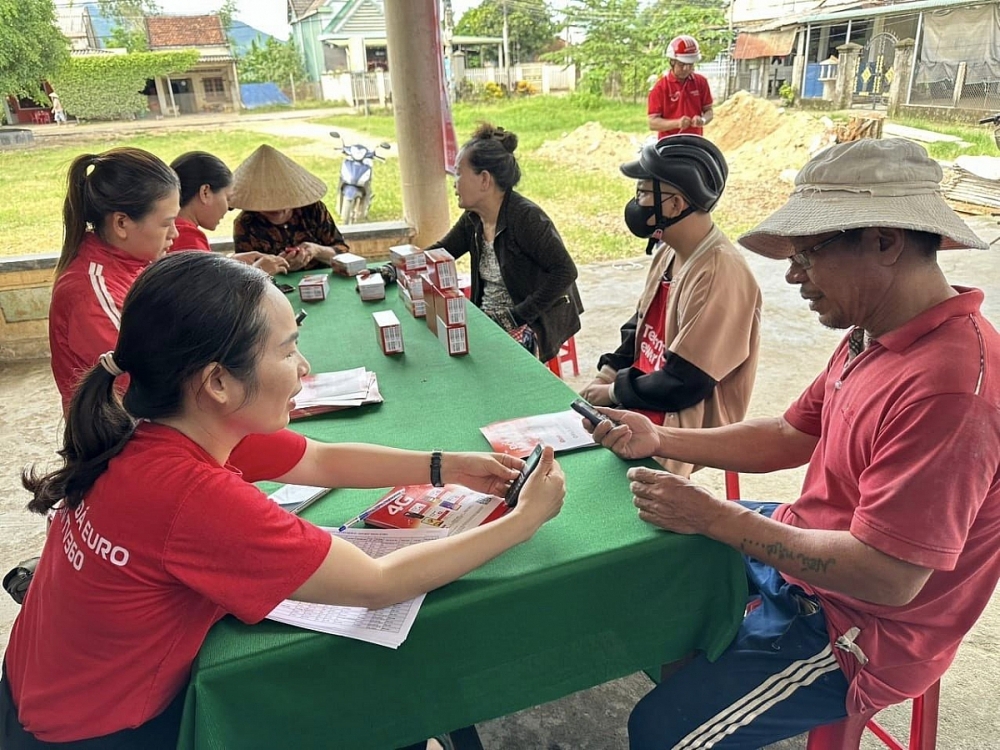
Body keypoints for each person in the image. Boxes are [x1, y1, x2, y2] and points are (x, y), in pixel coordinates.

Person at [4, 251, 565, 749]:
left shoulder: (159, 421)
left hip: (31, 689)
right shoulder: (191, 493)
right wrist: (523, 520)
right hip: (95, 733)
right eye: (288, 349)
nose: (305, 369)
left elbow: (319, 460)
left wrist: (444, 465)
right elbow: (377, 585)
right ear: (218, 381)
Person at [586, 138, 1000, 749]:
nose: (792, 274)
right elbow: (788, 434)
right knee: (649, 548)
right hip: (807, 549)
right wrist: (662, 437)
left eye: (808, 253)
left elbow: (888, 578)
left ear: (885, 241)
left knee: (660, 731)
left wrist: (715, 516)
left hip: (859, 630)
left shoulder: (953, 388)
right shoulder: (871, 331)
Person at [578, 135, 760, 478]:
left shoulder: (719, 273)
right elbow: (641, 325)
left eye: (645, 193)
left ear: (675, 204)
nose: (637, 203)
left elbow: (684, 384)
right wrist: (607, 372)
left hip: (677, 422)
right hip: (642, 399)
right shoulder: (669, 250)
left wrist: (613, 391)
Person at [424, 123, 583, 362]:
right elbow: (441, 251)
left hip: (530, 322)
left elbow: (566, 271)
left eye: (459, 173)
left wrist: (516, 316)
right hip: (489, 318)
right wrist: (394, 265)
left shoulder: (526, 218)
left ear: (484, 180)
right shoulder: (474, 218)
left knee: (485, 366)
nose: (454, 183)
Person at [48, 147, 180, 413]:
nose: (175, 234)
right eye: (166, 223)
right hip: (124, 439)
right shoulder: (91, 292)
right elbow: (144, 386)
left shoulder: (134, 265)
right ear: (121, 223)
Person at [231, 144, 351, 272]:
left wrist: (316, 250)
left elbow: (343, 254)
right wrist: (276, 264)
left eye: (284, 203)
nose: (278, 210)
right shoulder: (246, 223)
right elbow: (246, 273)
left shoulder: (313, 209)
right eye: (268, 205)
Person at [170, 151, 290, 276]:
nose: (229, 208)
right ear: (205, 192)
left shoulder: (175, 230)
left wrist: (227, 263)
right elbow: (205, 294)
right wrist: (257, 273)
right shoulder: (186, 238)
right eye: (227, 198)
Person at [647, 35, 714, 140]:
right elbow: (652, 123)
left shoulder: (701, 82)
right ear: (672, 61)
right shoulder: (660, 87)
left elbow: (709, 111)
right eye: (682, 64)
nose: (686, 69)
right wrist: (677, 123)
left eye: (690, 65)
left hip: (695, 141)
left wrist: (703, 120)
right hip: (668, 143)